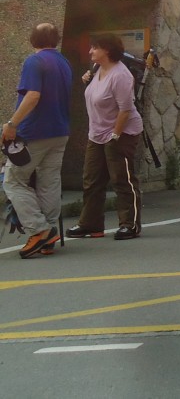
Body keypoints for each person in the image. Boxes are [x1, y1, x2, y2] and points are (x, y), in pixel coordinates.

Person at [3, 23, 71, 259]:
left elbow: (32, 95)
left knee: (13, 181)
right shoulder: (63, 62)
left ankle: (40, 230)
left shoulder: (34, 61)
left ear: (33, 39)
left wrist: (12, 124)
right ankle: (49, 234)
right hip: (60, 130)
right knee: (49, 182)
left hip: (35, 132)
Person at [69, 33, 144, 241]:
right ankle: (91, 224)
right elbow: (98, 97)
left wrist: (116, 135)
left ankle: (130, 224)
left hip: (120, 133)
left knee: (122, 179)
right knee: (91, 180)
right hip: (97, 133)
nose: (91, 51)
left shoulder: (121, 75)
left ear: (107, 50)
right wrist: (87, 81)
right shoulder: (97, 69)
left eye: (95, 47)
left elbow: (125, 109)